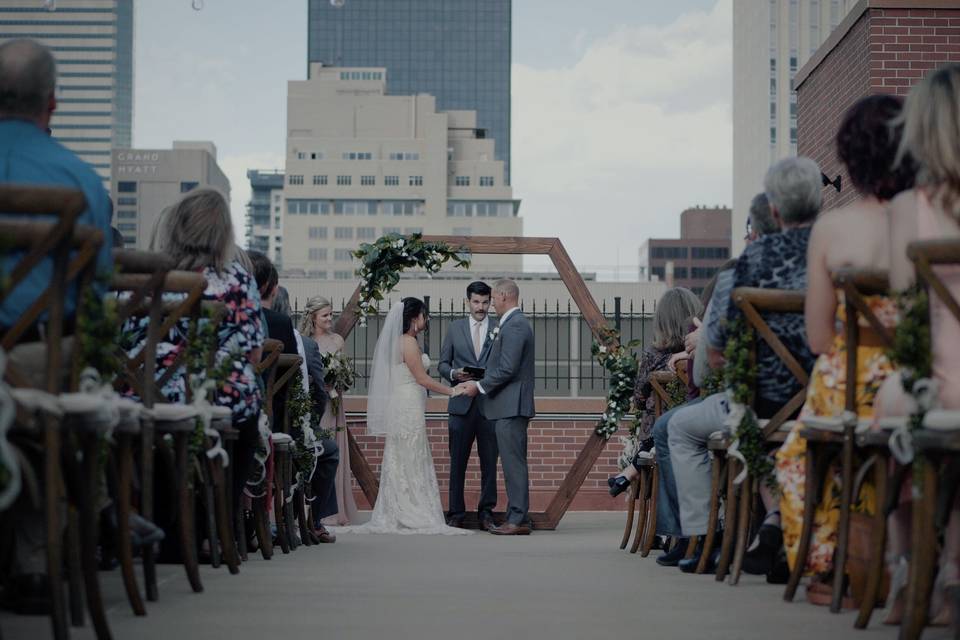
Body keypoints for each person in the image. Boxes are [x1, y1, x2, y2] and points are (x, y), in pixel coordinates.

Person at [773, 95, 916, 597]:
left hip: (850, 384)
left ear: (850, 158)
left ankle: (828, 566)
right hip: (918, 373)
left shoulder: (832, 229)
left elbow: (818, 338)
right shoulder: (936, 220)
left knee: (799, 456)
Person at [0, 37, 114, 613]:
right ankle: (36, 563)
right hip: (35, 358)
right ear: (52, 103)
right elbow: (96, 293)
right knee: (50, 415)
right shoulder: (81, 181)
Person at [666, 157, 820, 572]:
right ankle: (783, 524)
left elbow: (713, 356)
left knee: (682, 427)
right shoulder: (834, 253)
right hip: (829, 400)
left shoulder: (744, 268)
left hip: (760, 405)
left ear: (773, 211)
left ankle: (702, 537)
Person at [121, 189, 264, 524]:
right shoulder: (236, 279)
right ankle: (217, 518)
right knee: (247, 411)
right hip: (214, 395)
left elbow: (121, 340)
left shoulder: (139, 275)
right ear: (224, 234)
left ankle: (154, 516)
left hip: (139, 397)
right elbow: (254, 353)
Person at [878, 62, 960, 627]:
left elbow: (905, 314)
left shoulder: (910, 209)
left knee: (892, 405)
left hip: (940, 382)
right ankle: (954, 569)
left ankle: (907, 569)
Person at [339, 298, 469, 535]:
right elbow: (422, 378)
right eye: (424, 315)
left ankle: (399, 506)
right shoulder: (408, 343)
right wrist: (452, 390)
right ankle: (411, 509)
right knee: (410, 454)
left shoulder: (402, 342)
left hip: (406, 401)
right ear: (413, 318)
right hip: (408, 403)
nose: (426, 319)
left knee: (404, 455)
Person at [248, 252, 338, 543]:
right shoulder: (285, 328)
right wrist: (308, 421)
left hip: (235, 415)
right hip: (279, 425)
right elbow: (315, 392)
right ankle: (310, 520)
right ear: (272, 290)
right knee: (329, 450)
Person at [458, 279, 537, 536]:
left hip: (511, 407)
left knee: (513, 465)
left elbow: (507, 369)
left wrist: (478, 386)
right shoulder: (514, 323)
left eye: (493, 298)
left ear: (503, 296)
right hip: (507, 406)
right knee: (513, 464)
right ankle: (517, 516)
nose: (491, 304)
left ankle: (517, 519)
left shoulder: (515, 326)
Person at [607, 287, 703, 498]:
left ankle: (631, 476)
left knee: (656, 429)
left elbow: (639, 400)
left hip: (655, 432)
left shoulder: (652, 355)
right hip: (694, 429)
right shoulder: (699, 356)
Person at [437, 281, 499, 530]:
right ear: (468, 302)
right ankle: (456, 513)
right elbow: (442, 364)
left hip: (489, 405)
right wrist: (454, 373)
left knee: (489, 463)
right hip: (460, 405)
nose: (480, 307)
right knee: (457, 462)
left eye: (485, 302)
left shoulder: (498, 328)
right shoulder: (455, 328)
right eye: (476, 302)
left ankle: (486, 513)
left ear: (490, 302)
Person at [299, 295, 359, 526]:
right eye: (325, 315)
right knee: (315, 454)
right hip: (315, 404)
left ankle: (333, 512)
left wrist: (337, 380)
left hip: (334, 404)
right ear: (313, 317)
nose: (329, 319)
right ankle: (307, 508)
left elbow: (345, 374)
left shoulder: (337, 341)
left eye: (331, 314)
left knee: (333, 452)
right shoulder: (304, 341)